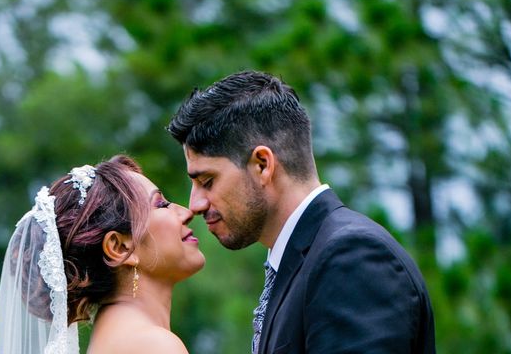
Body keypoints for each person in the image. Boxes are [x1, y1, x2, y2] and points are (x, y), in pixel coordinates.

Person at [167, 70, 436, 354]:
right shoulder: (300, 263)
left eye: (207, 181)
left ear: (262, 165)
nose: (195, 204)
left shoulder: (351, 257)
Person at [0, 155, 204, 354]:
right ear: (119, 248)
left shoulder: (114, 342)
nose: (186, 212)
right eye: (161, 204)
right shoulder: (154, 345)